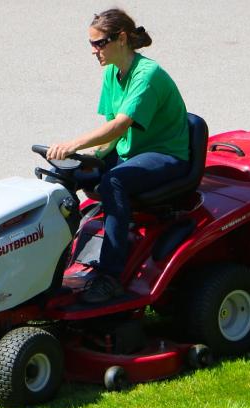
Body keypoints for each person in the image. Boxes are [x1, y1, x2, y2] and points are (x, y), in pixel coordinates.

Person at [46, 9, 190, 303]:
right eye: (91, 44)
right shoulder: (112, 71)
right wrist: (83, 161)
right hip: (130, 151)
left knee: (114, 182)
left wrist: (74, 144)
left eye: (99, 43)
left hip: (165, 155)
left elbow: (120, 125)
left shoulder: (147, 75)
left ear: (121, 38)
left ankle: (110, 277)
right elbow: (110, 135)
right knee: (64, 174)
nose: (94, 51)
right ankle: (49, 273)